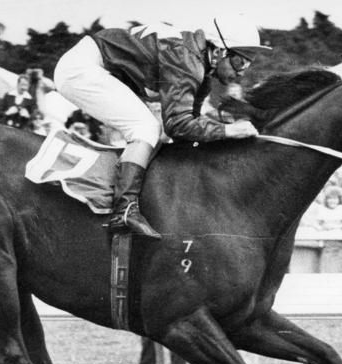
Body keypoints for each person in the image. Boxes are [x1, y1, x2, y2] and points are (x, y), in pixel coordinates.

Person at [54, 14, 268, 238]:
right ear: (219, 52)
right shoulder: (187, 60)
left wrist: (224, 132)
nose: (243, 71)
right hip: (83, 68)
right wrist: (229, 130)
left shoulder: (199, 68)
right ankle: (124, 208)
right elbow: (177, 124)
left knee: (151, 130)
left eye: (248, 63)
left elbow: (189, 126)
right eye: (240, 61)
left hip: (98, 65)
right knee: (146, 128)